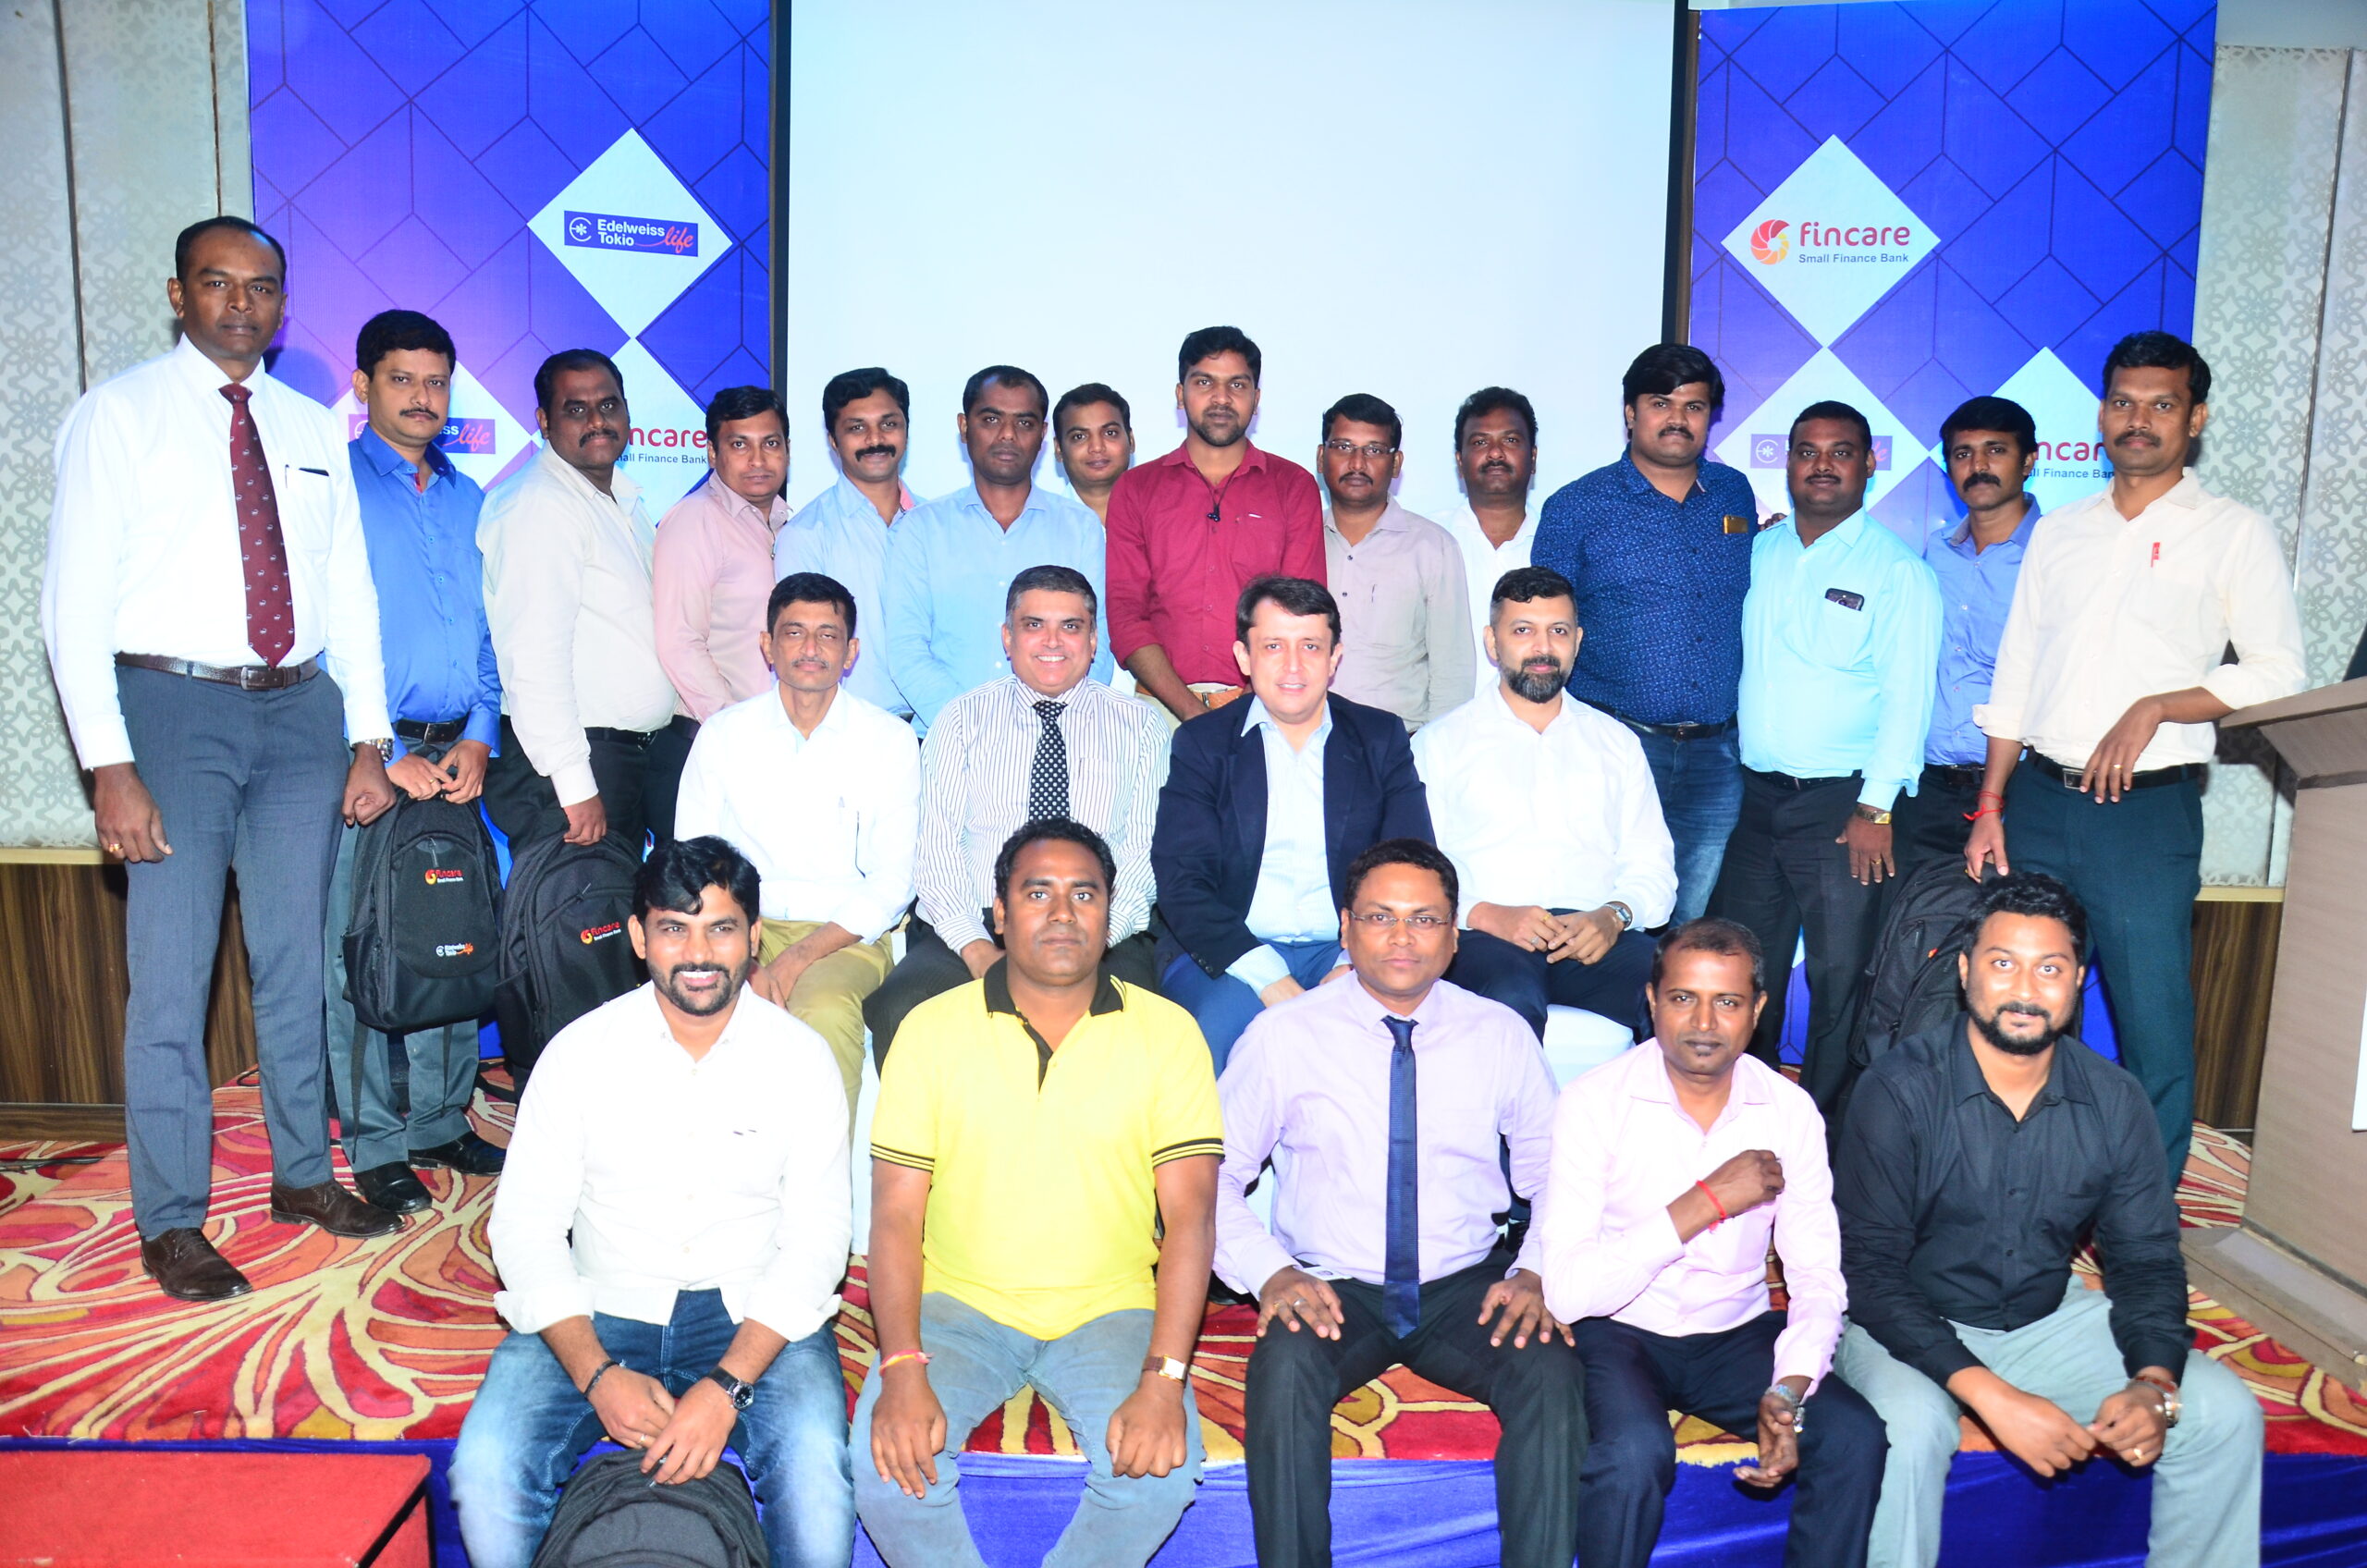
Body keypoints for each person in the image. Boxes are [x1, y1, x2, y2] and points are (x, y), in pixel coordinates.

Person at [42, 215, 402, 1301]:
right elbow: (72, 605)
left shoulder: (308, 424)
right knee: (173, 980)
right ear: (179, 293)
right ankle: (170, 1220)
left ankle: (302, 1174)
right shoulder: (118, 416)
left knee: (296, 964)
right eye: (217, 282)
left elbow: (347, 589)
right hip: (171, 712)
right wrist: (109, 764)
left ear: (283, 305)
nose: (240, 303)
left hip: (301, 718)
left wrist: (369, 738)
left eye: (261, 286)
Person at [1833, 873, 2263, 1568]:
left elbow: (2146, 1259)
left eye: (2050, 967)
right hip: (1904, 1321)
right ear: (1966, 971)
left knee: (2223, 1411)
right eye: (2003, 963)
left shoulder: (2114, 1099)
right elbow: (1870, 1273)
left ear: (2078, 981)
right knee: (1906, 1431)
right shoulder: (1898, 1088)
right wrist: (1993, 1397)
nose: (2025, 989)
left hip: (2043, 1316)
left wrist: (2153, 1382)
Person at [450, 837, 855, 1568]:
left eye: (721, 928)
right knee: (484, 1472)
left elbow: (820, 1241)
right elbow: (525, 1228)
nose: (698, 953)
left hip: (753, 1310)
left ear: (754, 937)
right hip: (600, 1300)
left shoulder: (801, 1059)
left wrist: (727, 1387)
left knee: (819, 1487)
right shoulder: (579, 1053)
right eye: (674, 928)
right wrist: (596, 1375)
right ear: (639, 937)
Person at [1968, 333, 2305, 1179]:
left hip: (2144, 815)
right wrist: (1991, 806)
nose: (2139, 420)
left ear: (2196, 418)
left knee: (2152, 1019)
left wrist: (2159, 705)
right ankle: (2020, 1185)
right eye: (2123, 402)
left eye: (2162, 404)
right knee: (2022, 1007)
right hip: (2038, 802)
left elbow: (2279, 671)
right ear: (2102, 414)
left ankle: (2141, 1213)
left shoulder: (2232, 532)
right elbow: (2016, 675)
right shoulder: (2061, 532)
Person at [854, 819, 1221, 1568]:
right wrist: (902, 1367)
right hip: (956, 1307)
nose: (1062, 913)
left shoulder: (1168, 1033)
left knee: (1159, 1475)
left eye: (1084, 894)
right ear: (999, 913)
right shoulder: (930, 1030)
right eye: (1037, 893)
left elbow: (1191, 1218)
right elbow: (893, 1216)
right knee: (888, 1471)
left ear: (1111, 913)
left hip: (1112, 1308)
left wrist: (1164, 1379)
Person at [1218, 838, 1588, 1568]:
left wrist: (1536, 1270)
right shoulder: (1283, 1036)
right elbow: (1211, 1177)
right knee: (1282, 1372)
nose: (1401, 937)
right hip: (1334, 1289)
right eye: (1380, 916)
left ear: (1454, 937)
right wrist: (1271, 1273)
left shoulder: (1500, 1034)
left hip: (1465, 1287)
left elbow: (1558, 1175)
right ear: (1346, 927)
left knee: (1550, 1371)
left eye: (1424, 919)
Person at [1539, 918, 1886, 1568]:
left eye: (1727, 1001)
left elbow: (1816, 1274)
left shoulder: (1788, 1110)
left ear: (1757, 1009)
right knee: (1633, 1453)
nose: (1703, 1022)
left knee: (1852, 1436)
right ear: (1652, 1000)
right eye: (1683, 998)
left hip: (1736, 1330)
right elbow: (1567, 1293)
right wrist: (1704, 1203)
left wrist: (1790, 1387)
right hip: (1621, 1328)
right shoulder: (1593, 1101)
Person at [324, 308, 506, 1214]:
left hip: (457, 750)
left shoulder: (473, 500)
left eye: (437, 382)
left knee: (450, 937)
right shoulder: (333, 487)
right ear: (363, 386)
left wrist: (480, 732)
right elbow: (319, 629)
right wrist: (383, 750)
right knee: (366, 947)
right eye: (402, 379)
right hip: (368, 753)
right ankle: (375, 1139)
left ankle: (438, 1118)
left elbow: (494, 631)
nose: (422, 397)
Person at [1711, 401, 1940, 1113]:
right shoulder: (1758, 553)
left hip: (1845, 807)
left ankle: (1830, 1139)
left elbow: (1908, 700)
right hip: (1753, 802)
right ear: (1787, 463)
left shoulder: (1898, 572)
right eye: (1807, 451)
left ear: (1869, 464)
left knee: (1840, 982)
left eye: (1840, 452)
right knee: (1744, 971)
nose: (1822, 465)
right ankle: (1746, 1121)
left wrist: (1877, 807)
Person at [864, 566, 1168, 1058]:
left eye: (1071, 626)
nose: (1053, 642)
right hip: (980, 920)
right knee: (905, 1009)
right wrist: (977, 949)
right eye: (1034, 625)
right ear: (1008, 637)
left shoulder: (1141, 727)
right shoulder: (960, 720)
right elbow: (937, 853)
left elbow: (1143, 854)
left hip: (1097, 924)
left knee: (1130, 1024)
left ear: (1094, 641)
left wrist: (1098, 937)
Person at [1153, 576, 1432, 1069]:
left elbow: (1412, 865)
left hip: (1350, 951)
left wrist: (1353, 961)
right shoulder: (1203, 744)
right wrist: (1270, 978)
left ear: (1335, 657)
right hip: (1230, 951)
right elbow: (1182, 880)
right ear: (1244, 657)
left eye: (1310, 646)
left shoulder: (1379, 738)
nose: (1293, 666)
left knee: (1388, 1045)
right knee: (1213, 1041)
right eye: (1273, 646)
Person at [674, 572, 920, 1124]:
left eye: (828, 635)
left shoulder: (888, 741)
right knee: (699, 1010)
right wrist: (745, 953)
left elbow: (894, 880)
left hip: (842, 936)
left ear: (851, 652)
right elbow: (693, 863)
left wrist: (793, 959)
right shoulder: (723, 735)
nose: (811, 648)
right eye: (794, 633)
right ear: (768, 645)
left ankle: (822, 1177)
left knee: (824, 1012)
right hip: (736, 927)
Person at [1532, 344, 1758, 925]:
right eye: (1661, 403)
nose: (1678, 419)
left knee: (1686, 925)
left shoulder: (1733, 494)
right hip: (1615, 746)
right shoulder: (1577, 506)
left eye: (1694, 406)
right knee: (1606, 915)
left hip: (1716, 756)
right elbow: (1542, 632)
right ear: (1630, 413)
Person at [1414, 566, 1673, 1041]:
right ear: (1493, 643)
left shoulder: (1616, 743)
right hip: (1483, 937)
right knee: (1510, 997)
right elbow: (1415, 874)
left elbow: (1653, 868)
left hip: (1593, 934)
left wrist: (1613, 915)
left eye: (1558, 631)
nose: (1543, 648)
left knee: (1677, 991)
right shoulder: (1440, 744)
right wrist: (1486, 914)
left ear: (1577, 641)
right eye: (1522, 631)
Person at [479, 349, 692, 850]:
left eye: (608, 405)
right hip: (573, 770)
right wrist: (574, 786)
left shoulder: (622, 499)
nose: (597, 421)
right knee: (576, 902)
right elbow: (532, 657)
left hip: (626, 760)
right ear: (543, 421)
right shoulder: (540, 504)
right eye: (576, 409)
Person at [1107, 325, 1325, 722]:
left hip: (1264, 707)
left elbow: (1301, 614)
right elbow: (1126, 616)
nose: (1221, 398)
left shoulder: (1292, 487)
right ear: (1180, 394)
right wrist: (1195, 717)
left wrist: (1240, 713)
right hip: (1158, 709)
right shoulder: (1136, 489)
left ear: (1256, 399)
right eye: (1204, 382)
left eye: (1237, 385)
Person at [885, 365, 1112, 730]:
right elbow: (906, 650)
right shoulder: (921, 528)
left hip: (1056, 738)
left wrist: (1047, 724)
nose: (1008, 434)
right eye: (991, 419)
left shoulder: (1080, 527)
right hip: (949, 739)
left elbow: (1097, 642)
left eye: (1024, 423)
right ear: (964, 426)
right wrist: (973, 725)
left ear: (1042, 434)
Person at [1895, 397, 2040, 873]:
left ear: (2029, 461)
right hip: (1926, 792)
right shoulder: (1933, 553)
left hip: (2023, 792)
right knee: (1914, 918)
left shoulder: (2056, 554)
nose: (1978, 466)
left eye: (1995, 450)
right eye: (1963, 454)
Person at [1318, 393, 1473, 729]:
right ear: (1321, 457)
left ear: (1397, 463)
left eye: (1374, 450)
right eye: (1343, 447)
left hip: (1401, 744)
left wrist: (1435, 750)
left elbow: (1453, 672)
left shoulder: (1432, 547)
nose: (1357, 463)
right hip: (1306, 742)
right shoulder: (1299, 539)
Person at [776, 367, 917, 717]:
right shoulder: (807, 534)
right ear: (833, 441)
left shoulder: (935, 525)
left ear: (906, 429)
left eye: (889, 424)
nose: (875, 439)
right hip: (852, 730)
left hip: (938, 728)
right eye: (856, 428)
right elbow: (802, 649)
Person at [653, 386, 789, 724]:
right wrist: (731, 724)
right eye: (740, 445)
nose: (758, 460)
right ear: (712, 453)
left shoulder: (791, 525)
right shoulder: (695, 519)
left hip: (775, 734)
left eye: (771, 443)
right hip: (713, 733)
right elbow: (680, 641)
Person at [1433, 387, 1543, 699]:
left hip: (1539, 721)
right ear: (1460, 460)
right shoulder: (1427, 540)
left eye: (1511, 440)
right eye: (1480, 442)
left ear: (1533, 457)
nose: (1495, 453)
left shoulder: (1559, 542)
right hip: (1445, 723)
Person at [1053, 381, 1136, 524]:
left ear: (1131, 440)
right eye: (1079, 436)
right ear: (1058, 449)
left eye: (1110, 433)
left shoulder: (1162, 515)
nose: (1097, 447)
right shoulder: (1040, 526)